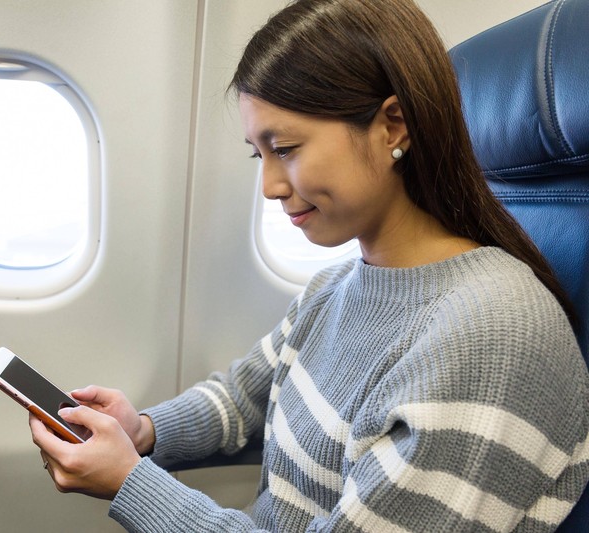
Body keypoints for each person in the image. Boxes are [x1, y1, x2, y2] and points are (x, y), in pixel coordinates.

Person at [29, 0, 589, 530]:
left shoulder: (490, 336)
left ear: (393, 126)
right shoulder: (340, 286)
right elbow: (247, 397)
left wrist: (132, 483)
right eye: (260, 154)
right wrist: (144, 431)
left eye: (287, 149)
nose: (271, 185)